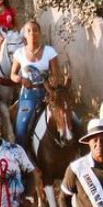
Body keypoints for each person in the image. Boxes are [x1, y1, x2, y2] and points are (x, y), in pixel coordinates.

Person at [9, 20, 61, 151]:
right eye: (29, 31)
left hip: (48, 93)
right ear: (24, 35)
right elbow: (12, 75)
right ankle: (23, 158)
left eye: (35, 30)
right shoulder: (19, 53)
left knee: (74, 120)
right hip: (29, 95)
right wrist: (21, 80)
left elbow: (56, 74)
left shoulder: (50, 51)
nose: (32, 33)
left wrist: (53, 80)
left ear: (40, 33)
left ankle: (80, 152)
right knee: (21, 128)